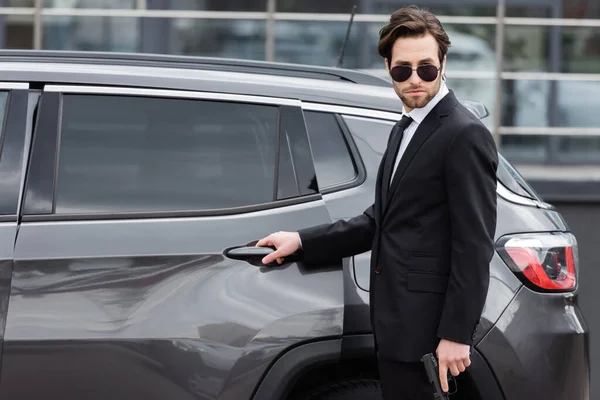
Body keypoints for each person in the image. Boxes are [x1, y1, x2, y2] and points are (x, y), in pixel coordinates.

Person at [256, 5, 498, 399]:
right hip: (396, 326)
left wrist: (456, 334)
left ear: (444, 63)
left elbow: (474, 245)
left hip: (428, 335)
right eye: (403, 69)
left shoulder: (463, 134)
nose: (415, 79)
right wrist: (303, 241)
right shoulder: (406, 128)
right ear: (388, 67)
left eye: (427, 68)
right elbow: (380, 221)